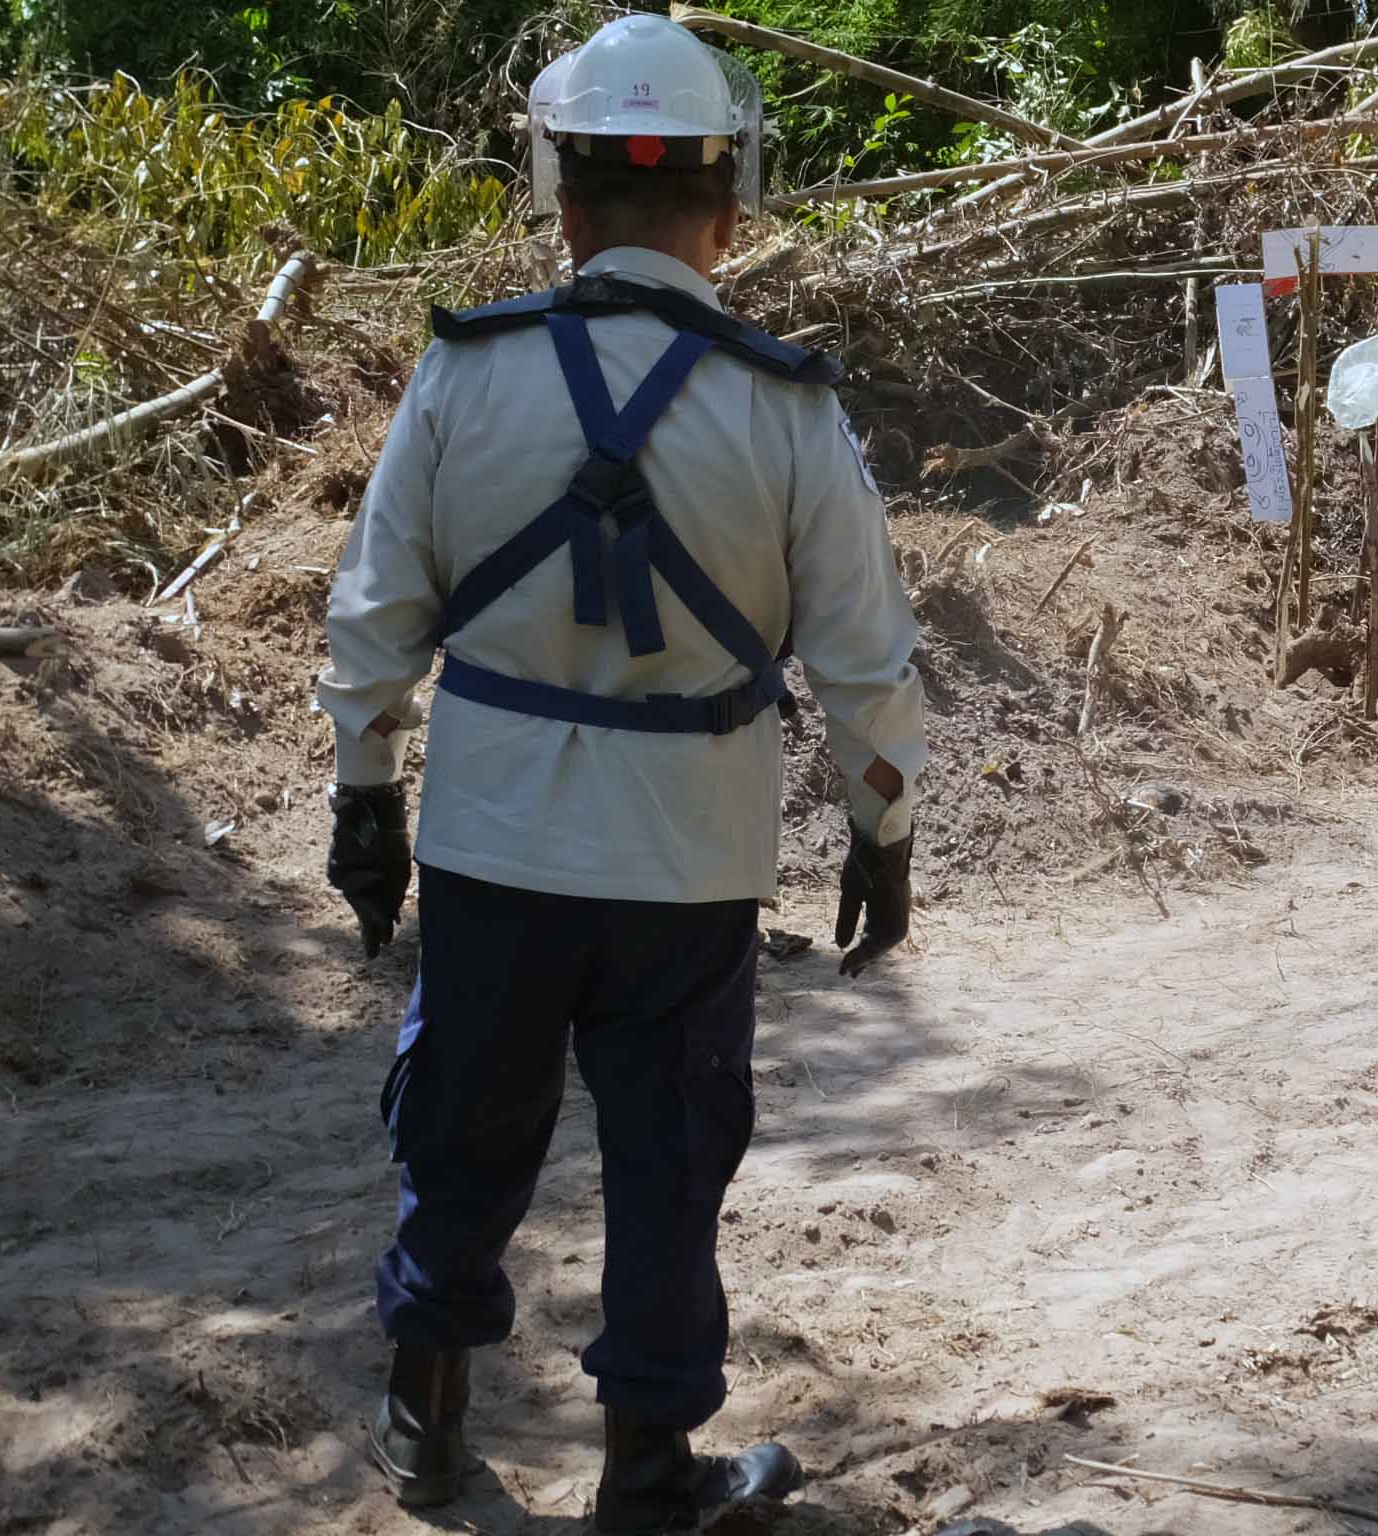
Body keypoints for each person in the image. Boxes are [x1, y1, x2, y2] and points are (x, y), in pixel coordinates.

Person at [315, 15, 926, 1529]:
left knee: (460, 1126)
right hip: (690, 865)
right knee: (668, 1156)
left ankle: (428, 1416)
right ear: (730, 208)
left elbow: (376, 614)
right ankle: (648, 1472)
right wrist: (880, 828)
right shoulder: (785, 401)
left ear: (563, 203)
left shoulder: (466, 377)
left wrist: (363, 792)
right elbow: (865, 658)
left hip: (490, 846)